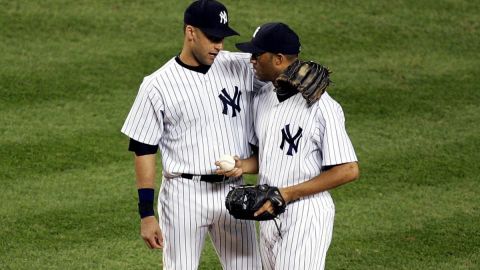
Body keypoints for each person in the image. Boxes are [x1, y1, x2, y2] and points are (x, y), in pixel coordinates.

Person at [121, 1, 263, 269]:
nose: (219, 45)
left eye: (221, 38)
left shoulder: (240, 66)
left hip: (233, 190)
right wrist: (146, 214)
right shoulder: (157, 85)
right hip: (183, 195)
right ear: (190, 32)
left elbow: (276, 68)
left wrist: (298, 70)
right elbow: (143, 149)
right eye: (212, 37)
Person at [222, 22, 360, 269]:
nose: (250, 59)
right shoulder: (263, 99)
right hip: (268, 210)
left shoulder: (322, 107)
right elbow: (269, 156)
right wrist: (241, 165)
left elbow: (348, 169)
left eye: (257, 54)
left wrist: (286, 194)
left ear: (278, 59)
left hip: (305, 215)